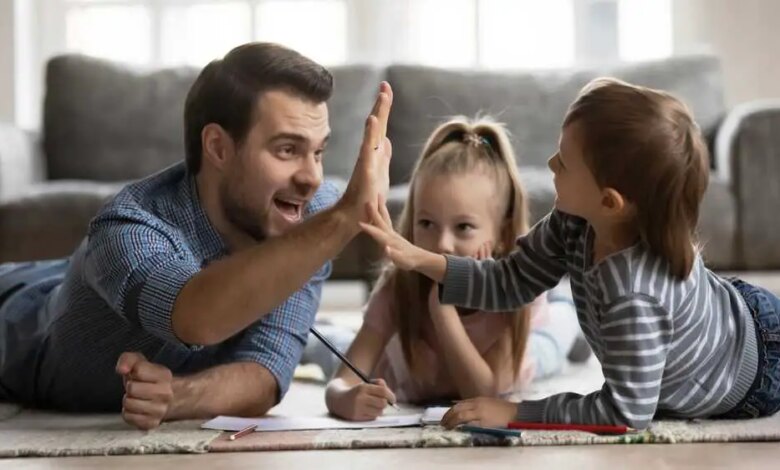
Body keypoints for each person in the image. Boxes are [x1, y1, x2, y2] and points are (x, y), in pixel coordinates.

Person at [0, 42, 394, 430]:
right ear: (218, 148)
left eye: (319, 152)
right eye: (287, 149)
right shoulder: (125, 229)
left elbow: (268, 370)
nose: (311, 178)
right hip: (21, 322)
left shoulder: (312, 216)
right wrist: (342, 221)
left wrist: (178, 395)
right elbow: (195, 316)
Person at [360, 78, 780, 430]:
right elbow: (508, 281)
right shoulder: (573, 222)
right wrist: (419, 259)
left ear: (610, 201)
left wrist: (514, 412)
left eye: (564, 161)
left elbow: (625, 413)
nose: (550, 163)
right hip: (741, 309)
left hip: (756, 371)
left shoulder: (634, 294)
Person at [323, 117, 581, 421]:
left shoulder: (516, 291)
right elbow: (341, 382)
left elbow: (483, 396)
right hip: (401, 367)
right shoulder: (399, 287)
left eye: (464, 227)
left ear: (501, 233)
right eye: (427, 223)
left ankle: (568, 308)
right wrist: (345, 398)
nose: (443, 243)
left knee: (555, 342)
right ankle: (318, 334)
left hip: (528, 350)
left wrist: (442, 312)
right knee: (332, 347)